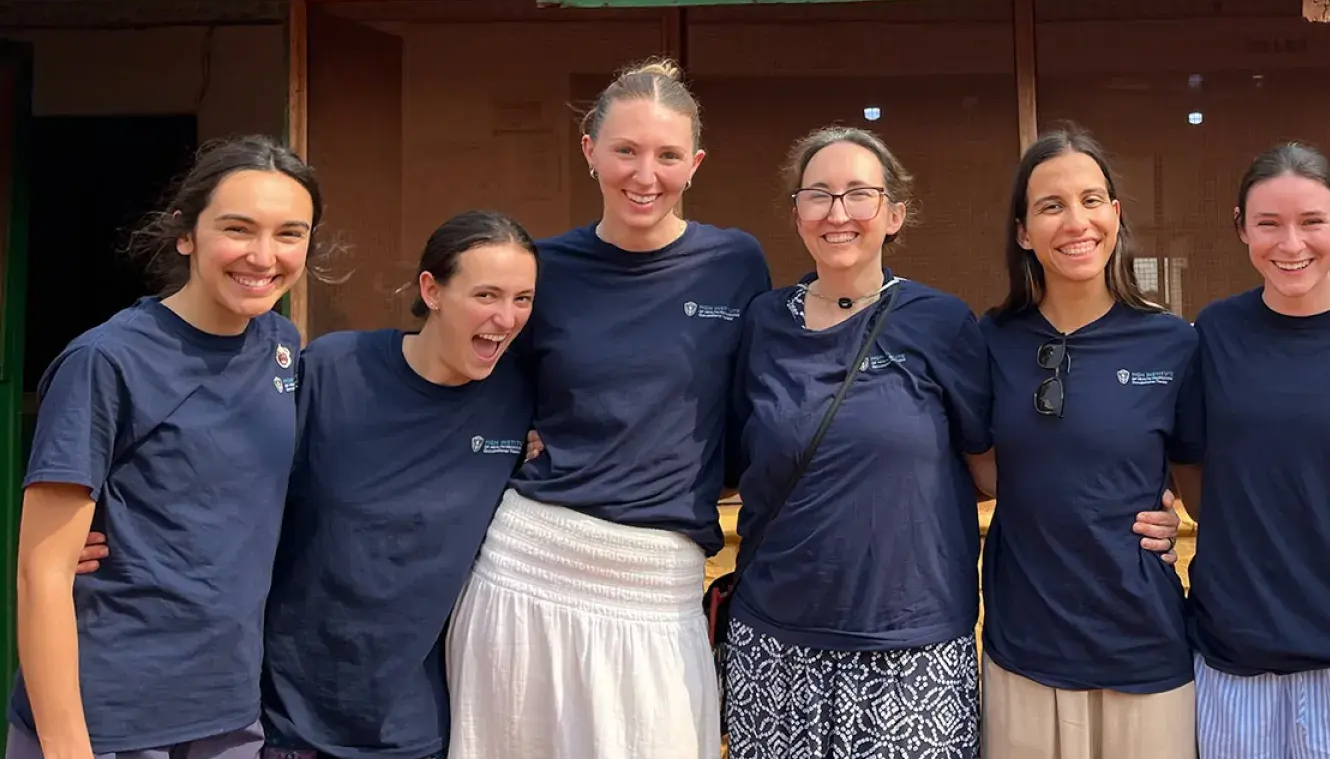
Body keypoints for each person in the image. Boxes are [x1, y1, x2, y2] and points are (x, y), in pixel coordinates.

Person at [444, 60, 771, 759]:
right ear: (589, 151)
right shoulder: (542, 270)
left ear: (696, 164)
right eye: (625, 149)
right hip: (528, 564)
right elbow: (483, 393)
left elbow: (754, 406)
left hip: (661, 587)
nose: (644, 174)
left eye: (667, 155)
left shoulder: (735, 264)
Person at [10, 135, 321, 759]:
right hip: (110, 718)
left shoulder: (280, 343)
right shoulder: (107, 361)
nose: (264, 256)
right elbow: (41, 572)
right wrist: (67, 749)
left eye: (290, 233)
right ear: (186, 234)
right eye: (238, 229)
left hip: (228, 713)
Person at [721, 127, 991, 759]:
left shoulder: (941, 322)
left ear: (894, 214)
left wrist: (1129, 496)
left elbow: (994, 470)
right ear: (796, 214)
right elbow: (727, 460)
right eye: (819, 195)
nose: (838, 213)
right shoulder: (762, 322)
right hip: (775, 646)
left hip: (913, 648)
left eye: (858, 195)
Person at [1169, 143, 1330, 759]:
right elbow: (1191, 468)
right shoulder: (1216, 332)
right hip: (1234, 652)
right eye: (1268, 224)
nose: (1291, 244)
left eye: (1312, 221)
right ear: (1240, 227)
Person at [258, 211, 539, 759]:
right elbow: (237, 484)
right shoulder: (335, 370)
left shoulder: (521, 398)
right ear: (431, 290)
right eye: (486, 295)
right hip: (291, 719)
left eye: (522, 299)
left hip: (416, 728)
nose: (505, 318)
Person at [976, 126, 1197, 759]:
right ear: (1022, 231)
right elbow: (982, 469)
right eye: (1051, 205)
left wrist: (1172, 512)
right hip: (1024, 646)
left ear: (1116, 215)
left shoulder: (1172, 342)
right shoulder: (988, 342)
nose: (1077, 221)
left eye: (1093, 200)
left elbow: (1202, 486)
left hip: (1145, 646)